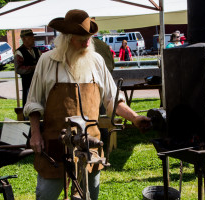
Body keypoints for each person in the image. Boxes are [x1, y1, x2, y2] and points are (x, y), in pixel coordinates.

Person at [24, 9, 151, 200]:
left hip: (90, 145)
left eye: (89, 38)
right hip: (55, 144)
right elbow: (34, 102)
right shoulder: (47, 61)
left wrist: (134, 117)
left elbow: (112, 99)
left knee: (90, 195)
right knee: (46, 195)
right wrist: (35, 133)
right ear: (66, 39)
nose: (86, 43)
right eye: (81, 39)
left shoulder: (96, 61)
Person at [14, 29, 42, 107]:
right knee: (29, 103)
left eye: (33, 37)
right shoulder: (19, 52)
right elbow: (18, 69)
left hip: (39, 81)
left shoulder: (37, 51)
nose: (33, 39)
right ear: (24, 39)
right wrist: (33, 68)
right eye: (31, 37)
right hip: (27, 83)